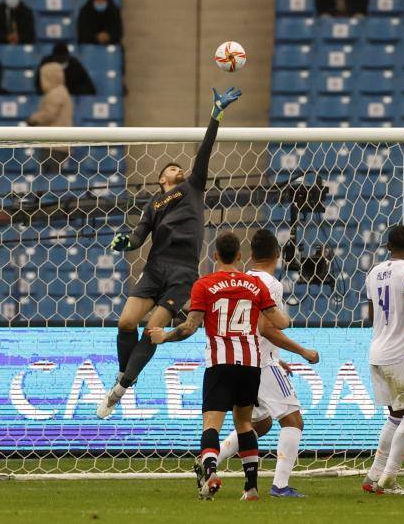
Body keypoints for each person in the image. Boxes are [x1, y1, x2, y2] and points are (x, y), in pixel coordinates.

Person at [96, 87, 242, 420]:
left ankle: (119, 390)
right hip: (155, 267)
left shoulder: (193, 187)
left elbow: (205, 150)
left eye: (180, 167)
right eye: (173, 169)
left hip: (182, 272)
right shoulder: (153, 204)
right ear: (162, 178)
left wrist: (216, 114)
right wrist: (126, 244)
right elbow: (139, 236)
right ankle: (126, 375)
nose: (179, 170)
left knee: (152, 329)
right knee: (126, 322)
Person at [148, 232, 291, 501]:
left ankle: (211, 471)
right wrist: (274, 310)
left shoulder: (204, 285)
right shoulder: (254, 285)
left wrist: (164, 336)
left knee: (211, 425)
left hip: (219, 362)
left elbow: (190, 326)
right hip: (250, 364)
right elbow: (281, 322)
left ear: (215, 256)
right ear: (239, 256)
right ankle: (251, 488)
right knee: (245, 423)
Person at [213, 229, 320, 498]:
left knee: (260, 425)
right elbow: (266, 328)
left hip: (242, 360)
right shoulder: (271, 284)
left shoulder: (243, 279)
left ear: (250, 255)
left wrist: (278, 358)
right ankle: (280, 486)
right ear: (278, 255)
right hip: (261, 364)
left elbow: (250, 327)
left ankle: (211, 460)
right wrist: (302, 351)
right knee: (293, 421)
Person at [360, 225, 404, 496]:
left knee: (396, 415)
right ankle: (388, 479)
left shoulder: (374, 272)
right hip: (398, 352)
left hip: (376, 351)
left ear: (388, 247)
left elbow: (374, 316)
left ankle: (373, 476)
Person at [28, 63, 73, 127]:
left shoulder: (56, 94)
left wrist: (33, 119)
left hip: (56, 131)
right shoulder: (60, 91)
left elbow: (48, 115)